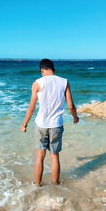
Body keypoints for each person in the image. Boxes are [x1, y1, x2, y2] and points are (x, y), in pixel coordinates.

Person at [20, 58, 79, 186]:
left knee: (40, 156)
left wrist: (24, 124)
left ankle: (37, 185)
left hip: (41, 124)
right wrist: (75, 118)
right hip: (56, 124)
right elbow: (70, 106)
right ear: (53, 69)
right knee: (54, 156)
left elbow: (31, 107)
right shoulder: (64, 82)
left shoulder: (37, 83)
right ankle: (55, 184)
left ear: (42, 70)